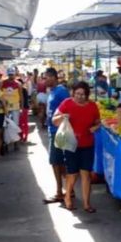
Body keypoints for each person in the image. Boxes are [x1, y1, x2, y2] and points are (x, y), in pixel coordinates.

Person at [53, 82, 100, 212]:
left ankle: (86, 203)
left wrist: (95, 127)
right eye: (77, 94)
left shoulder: (92, 106)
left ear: (87, 95)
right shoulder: (67, 103)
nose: (80, 97)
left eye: (83, 94)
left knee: (86, 174)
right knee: (72, 173)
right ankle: (67, 197)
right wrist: (62, 116)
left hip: (87, 144)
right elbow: (54, 120)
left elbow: (98, 122)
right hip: (70, 144)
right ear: (73, 93)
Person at [43, 68, 71, 204]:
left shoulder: (61, 91)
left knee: (56, 162)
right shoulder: (53, 91)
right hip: (53, 129)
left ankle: (60, 192)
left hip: (58, 131)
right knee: (59, 162)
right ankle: (68, 190)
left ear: (54, 77)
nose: (45, 80)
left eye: (46, 77)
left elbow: (69, 108)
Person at [1, 68, 23, 143]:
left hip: (15, 107)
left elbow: (21, 96)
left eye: (12, 74)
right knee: (5, 125)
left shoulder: (18, 84)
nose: (11, 76)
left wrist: (22, 108)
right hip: (5, 108)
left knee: (15, 125)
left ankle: (16, 142)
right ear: (8, 74)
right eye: (9, 74)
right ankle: (6, 141)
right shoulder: (2, 83)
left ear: (14, 74)